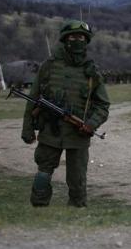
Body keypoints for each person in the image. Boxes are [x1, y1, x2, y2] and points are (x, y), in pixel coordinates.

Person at [21, 20, 110, 207]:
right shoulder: (49, 66)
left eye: (81, 37)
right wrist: (27, 128)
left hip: (78, 132)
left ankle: (77, 209)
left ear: (86, 41)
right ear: (65, 39)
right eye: (73, 37)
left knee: (77, 177)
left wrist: (91, 124)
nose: (77, 40)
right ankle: (38, 207)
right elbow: (33, 98)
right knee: (44, 170)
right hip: (50, 131)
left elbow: (103, 105)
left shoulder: (92, 72)